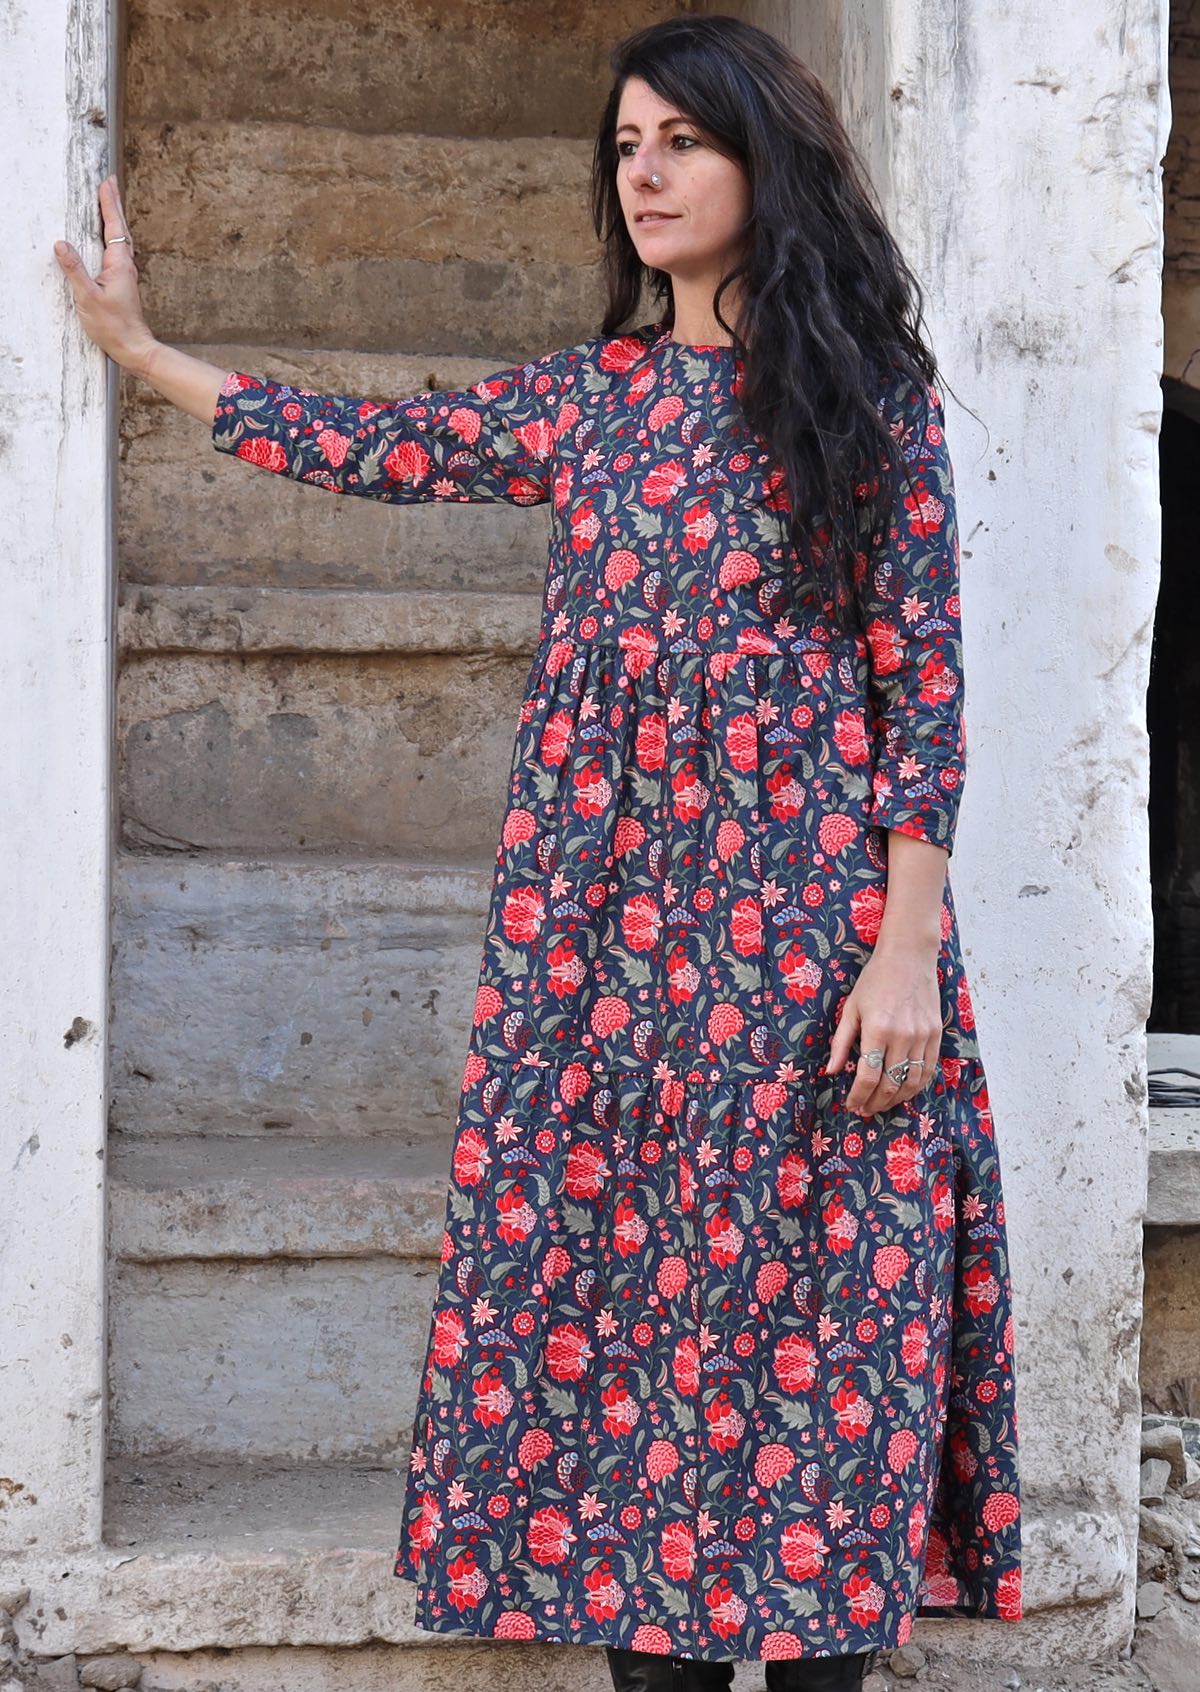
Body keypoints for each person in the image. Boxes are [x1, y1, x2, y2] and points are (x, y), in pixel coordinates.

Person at [55, 13, 1021, 1690]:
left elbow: (922, 687)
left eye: (681, 143)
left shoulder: (866, 407)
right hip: (605, 967)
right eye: (626, 145)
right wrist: (149, 358)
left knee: (822, 1351)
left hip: (810, 954)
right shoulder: (596, 402)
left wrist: (905, 946)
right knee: (622, 1354)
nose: (642, 173)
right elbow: (383, 449)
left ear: (763, 162)